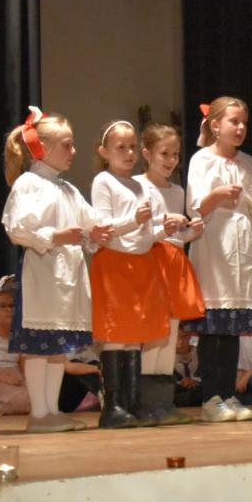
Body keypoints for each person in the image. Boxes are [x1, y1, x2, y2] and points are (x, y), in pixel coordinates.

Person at [1, 107, 112, 432]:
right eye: (66, 145)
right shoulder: (29, 184)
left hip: (66, 275)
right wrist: (56, 236)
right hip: (43, 274)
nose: (73, 151)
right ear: (42, 148)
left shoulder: (67, 189)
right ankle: (39, 413)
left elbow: (91, 222)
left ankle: (51, 410)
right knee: (40, 346)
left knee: (56, 348)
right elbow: (17, 229)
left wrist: (99, 233)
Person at [185, 96, 252, 422]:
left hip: (243, 250)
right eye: (234, 122)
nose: (240, 128)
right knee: (213, 327)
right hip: (214, 246)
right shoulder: (201, 160)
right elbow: (195, 207)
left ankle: (227, 394)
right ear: (215, 125)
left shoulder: (250, 164)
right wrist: (216, 196)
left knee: (232, 329)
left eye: (244, 123)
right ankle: (210, 398)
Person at [90, 120, 170, 428]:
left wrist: (164, 230)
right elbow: (103, 228)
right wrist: (133, 220)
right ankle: (113, 405)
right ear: (104, 152)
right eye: (120, 147)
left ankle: (133, 403)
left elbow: (145, 234)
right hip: (114, 263)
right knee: (116, 334)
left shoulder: (140, 185)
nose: (128, 153)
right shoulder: (103, 181)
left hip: (141, 264)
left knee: (135, 337)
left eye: (133, 147)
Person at [137, 122, 205, 424]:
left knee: (170, 334)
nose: (171, 160)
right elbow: (139, 232)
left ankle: (163, 402)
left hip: (174, 260)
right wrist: (162, 228)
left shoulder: (177, 191)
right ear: (147, 153)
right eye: (164, 153)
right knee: (154, 334)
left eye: (175, 154)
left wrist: (190, 234)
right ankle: (146, 403)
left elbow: (177, 236)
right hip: (152, 260)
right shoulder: (138, 186)